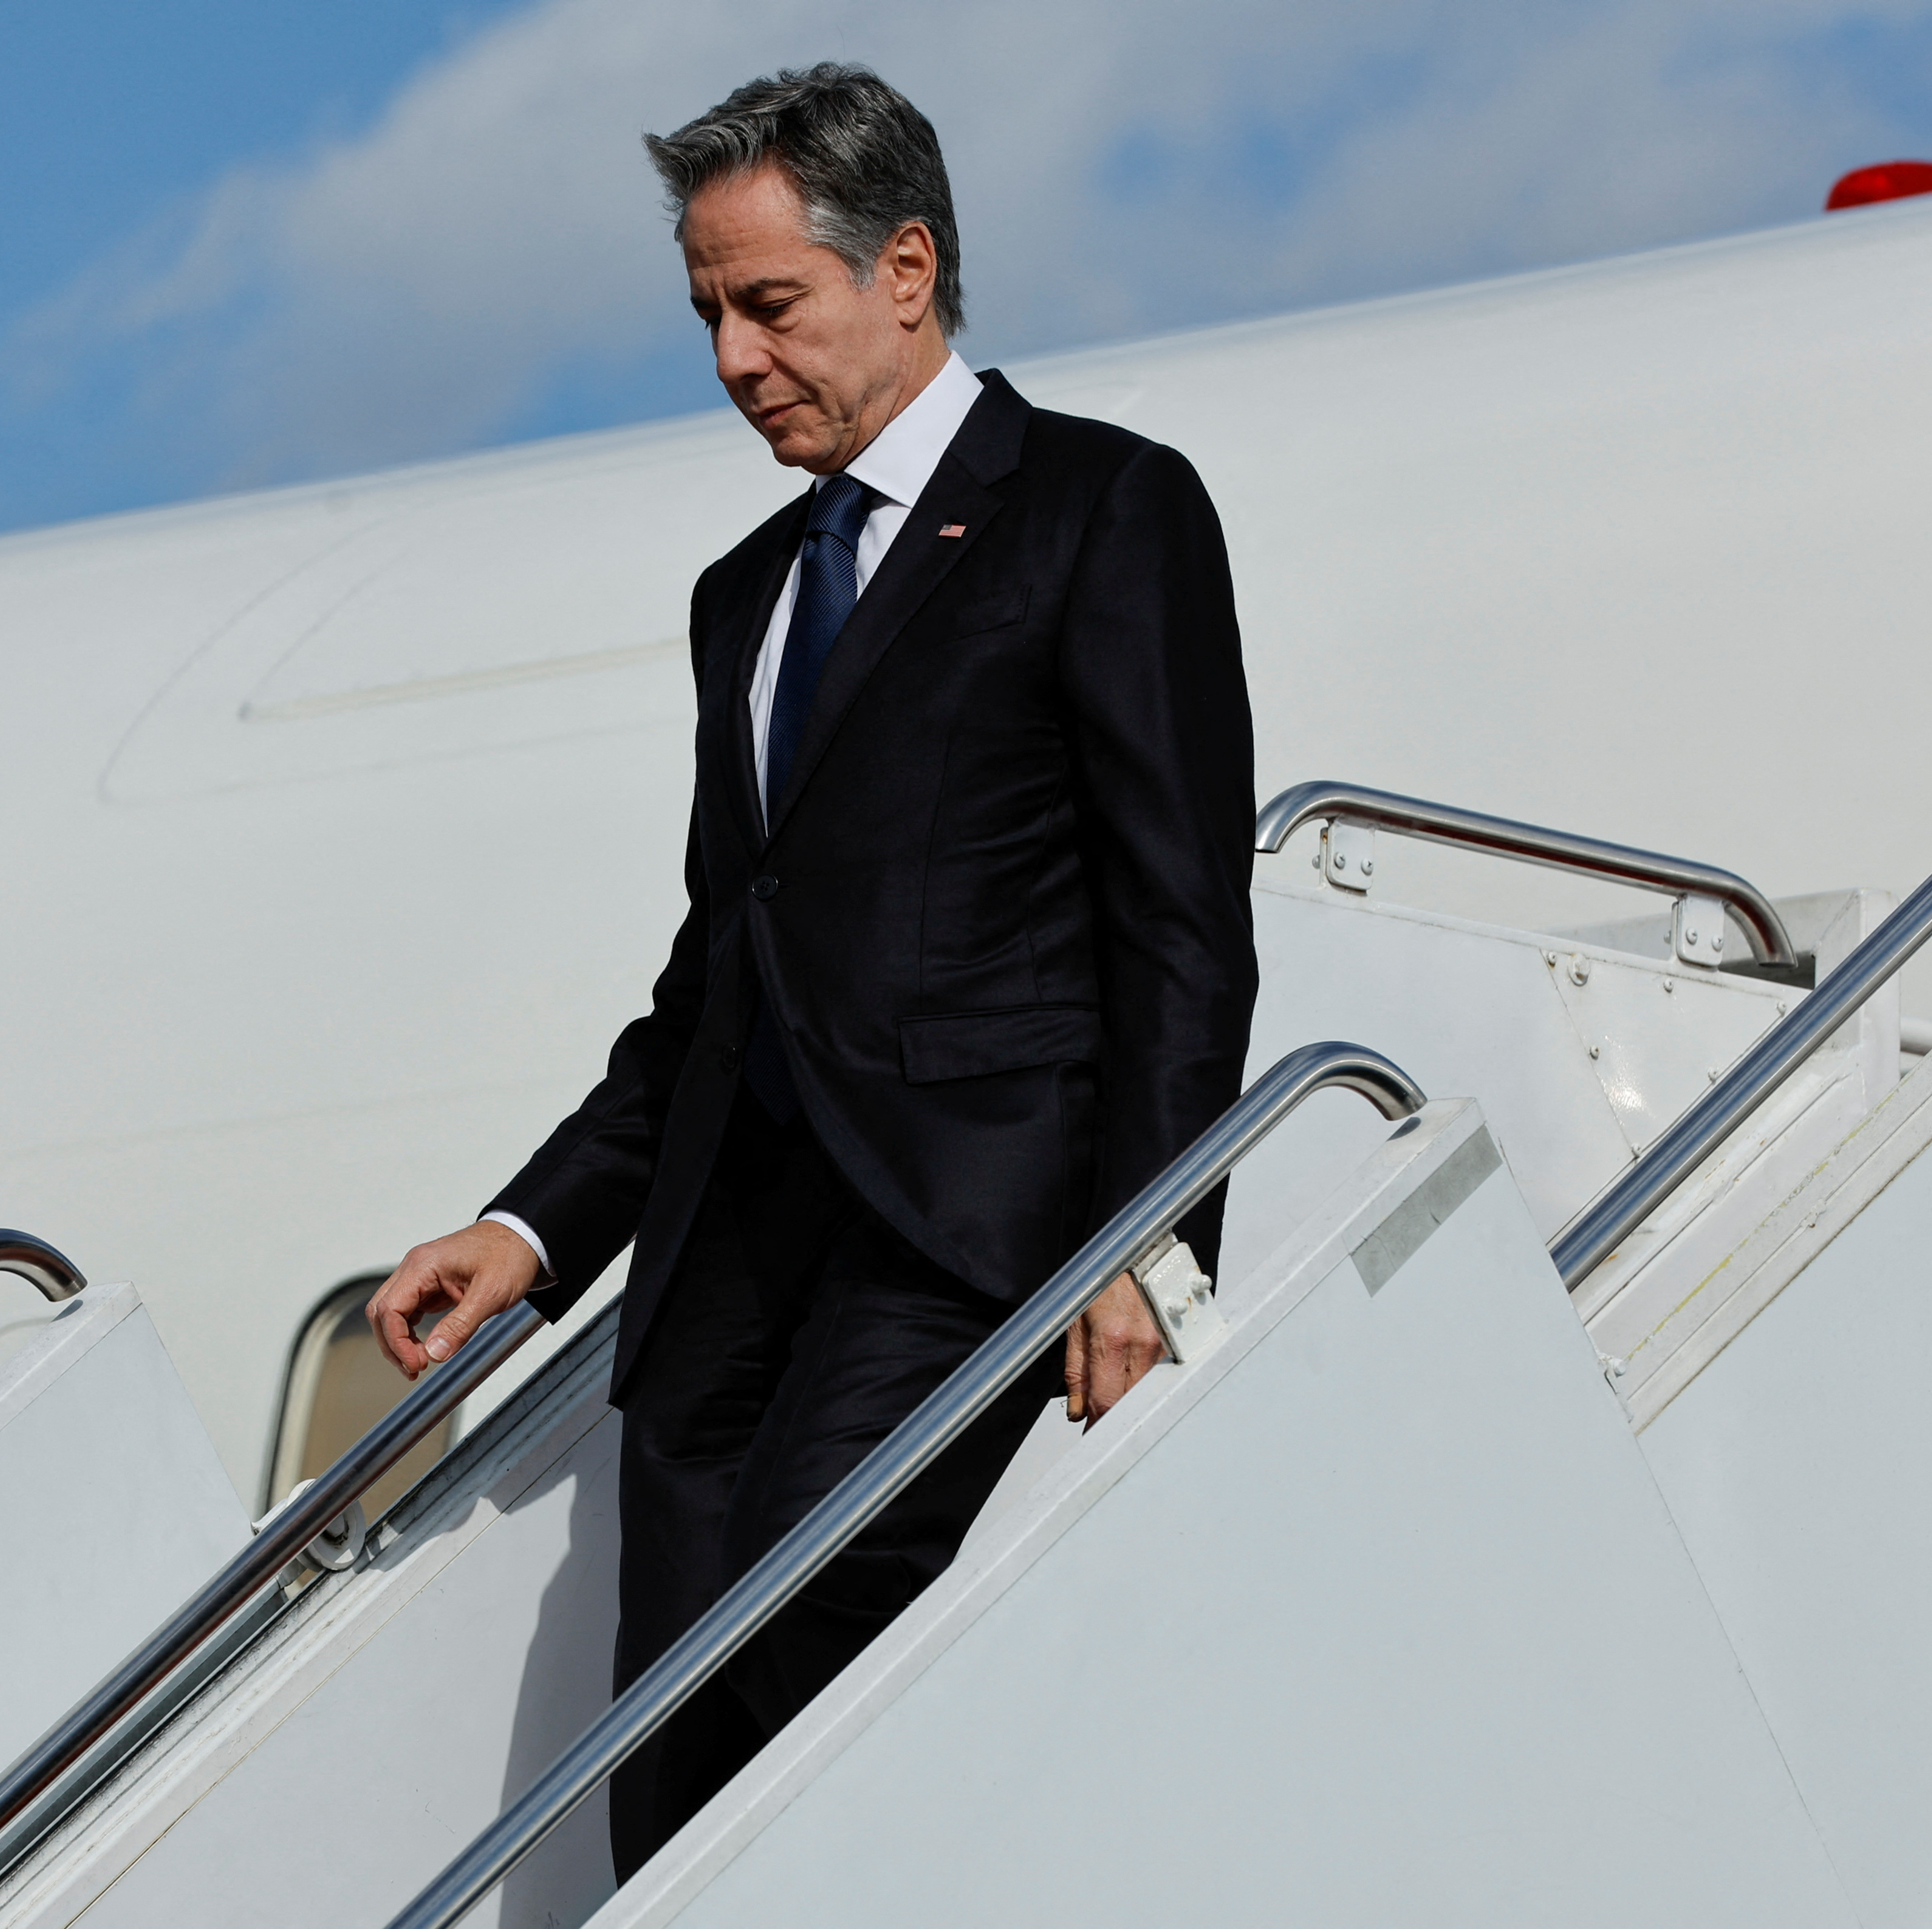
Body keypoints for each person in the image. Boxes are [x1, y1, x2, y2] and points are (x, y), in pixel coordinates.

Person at [366, 62, 1257, 1878]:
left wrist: (1147, 1246)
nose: (730, 358)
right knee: (665, 1770)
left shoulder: (1099, 510)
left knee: (806, 1642)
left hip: (960, 1237)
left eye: (768, 304)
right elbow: (718, 980)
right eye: (705, 312)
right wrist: (533, 1229)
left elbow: (1179, 921)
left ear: (905, 269)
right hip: (728, 1269)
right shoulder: (744, 594)